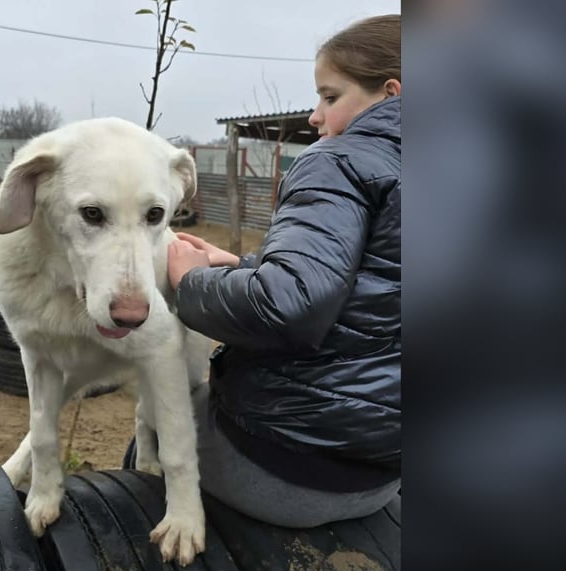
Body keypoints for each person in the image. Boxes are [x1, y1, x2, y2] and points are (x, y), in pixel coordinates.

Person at [167, 14, 401, 527]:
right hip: (383, 476)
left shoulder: (338, 160)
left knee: (158, 435)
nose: (316, 118)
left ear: (390, 93)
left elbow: (289, 306)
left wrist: (191, 283)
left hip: (285, 466)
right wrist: (245, 267)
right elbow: (372, 287)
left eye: (330, 97)